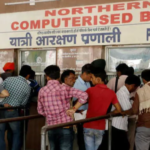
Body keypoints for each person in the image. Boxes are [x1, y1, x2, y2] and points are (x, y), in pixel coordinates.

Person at [37, 65, 88, 150]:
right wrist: (73, 109)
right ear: (59, 76)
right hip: (66, 126)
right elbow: (84, 96)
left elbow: (40, 111)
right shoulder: (65, 88)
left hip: (51, 127)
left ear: (47, 76)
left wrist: (50, 113)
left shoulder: (42, 90)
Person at [82, 68, 122, 150]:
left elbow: (81, 101)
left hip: (88, 125)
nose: (90, 80)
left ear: (98, 79)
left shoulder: (90, 90)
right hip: (100, 126)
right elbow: (119, 110)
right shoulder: (111, 92)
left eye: (92, 78)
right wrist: (108, 114)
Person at [0, 65, 31, 150]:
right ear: (28, 76)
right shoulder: (27, 87)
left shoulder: (8, 79)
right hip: (13, 110)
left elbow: (1, 90)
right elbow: (23, 103)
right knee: (16, 133)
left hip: (2, 108)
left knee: (1, 133)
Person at [110, 75, 141, 150]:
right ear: (133, 86)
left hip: (120, 125)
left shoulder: (125, 93)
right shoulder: (123, 93)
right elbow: (130, 110)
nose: (135, 90)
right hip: (118, 125)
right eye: (136, 88)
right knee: (123, 146)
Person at [123, 70, 150, 150]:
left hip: (144, 126)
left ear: (143, 79)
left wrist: (125, 112)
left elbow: (134, 111)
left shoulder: (141, 92)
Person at [73, 64, 93, 150]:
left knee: (87, 139)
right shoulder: (76, 84)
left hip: (87, 115)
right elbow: (73, 101)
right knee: (81, 139)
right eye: (90, 76)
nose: (92, 78)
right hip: (79, 115)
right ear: (85, 73)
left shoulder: (88, 83)